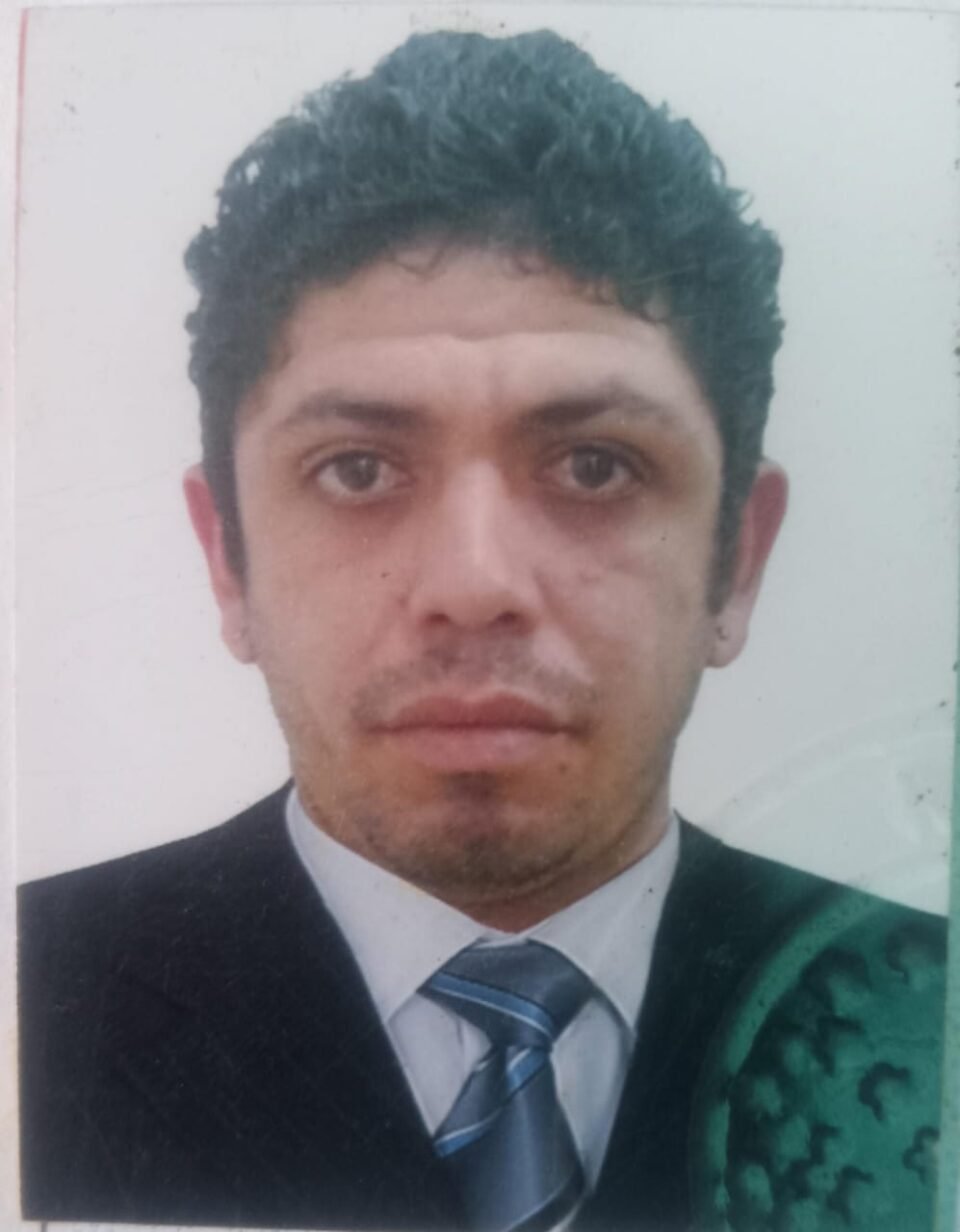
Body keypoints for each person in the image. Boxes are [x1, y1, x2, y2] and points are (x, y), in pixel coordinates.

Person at [18, 28, 946, 1232]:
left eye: (596, 464)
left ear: (737, 561)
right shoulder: (28, 1003)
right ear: (227, 560)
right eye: (357, 468)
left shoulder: (928, 1025)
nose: (472, 582)